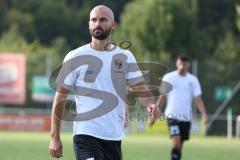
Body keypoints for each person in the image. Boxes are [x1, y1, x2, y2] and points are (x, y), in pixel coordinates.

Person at [48, 5, 159, 160]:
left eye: (102, 20)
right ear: (89, 24)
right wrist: (54, 136)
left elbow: (141, 90)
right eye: (93, 20)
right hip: (85, 135)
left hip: (113, 138)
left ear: (113, 24)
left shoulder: (124, 56)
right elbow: (60, 98)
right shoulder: (75, 57)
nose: (97, 23)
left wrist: (150, 104)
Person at [156, 55, 208, 160]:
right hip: (172, 115)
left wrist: (204, 114)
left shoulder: (193, 80)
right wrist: (156, 110)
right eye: (180, 63)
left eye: (184, 64)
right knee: (176, 142)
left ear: (188, 65)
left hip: (186, 117)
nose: (182, 66)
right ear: (177, 63)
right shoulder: (169, 77)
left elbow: (198, 99)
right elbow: (162, 97)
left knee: (180, 145)